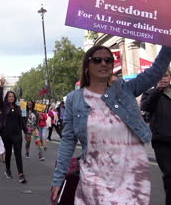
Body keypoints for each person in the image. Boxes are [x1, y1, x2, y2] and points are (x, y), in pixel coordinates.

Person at [50, 45, 171, 204]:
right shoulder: (75, 99)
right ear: (87, 66)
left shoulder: (125, 90)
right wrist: (58, 179)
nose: (103, 63)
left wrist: (167, 41)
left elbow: (155, 71)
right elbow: (67, 141)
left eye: (108, 60)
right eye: (97, 60)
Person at [141, 69, 171, 205]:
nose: (163, 78)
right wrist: (157, 90)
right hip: (162, 142)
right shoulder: (150, 93)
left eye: (165, 75)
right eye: (160, 76)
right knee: (170, 176)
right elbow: (145, 106)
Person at [0, 77, 27, 183]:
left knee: (18, 154)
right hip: (6, 134)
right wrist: (1, 86)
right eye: (9, 96)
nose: (11, 98)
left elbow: (22, 122)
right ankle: (8, 170)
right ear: (7, 98)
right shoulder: (4, 106)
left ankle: (21, 174)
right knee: (9, 153)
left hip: (17, 134)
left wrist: (26, 131)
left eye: (12, 96)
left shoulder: (18, 108)